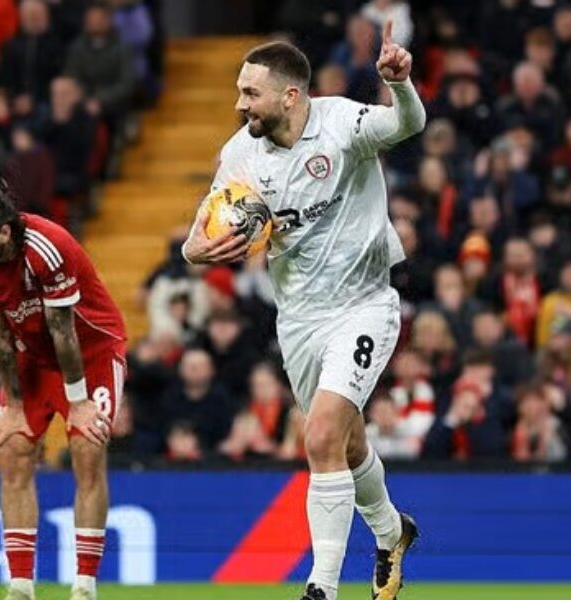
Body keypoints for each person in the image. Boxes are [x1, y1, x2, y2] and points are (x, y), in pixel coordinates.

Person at [181, 26, 424, 600]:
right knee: (349, 445)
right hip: (298, 320)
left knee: (318, 437)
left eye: (250, 93)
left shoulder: (342, 124)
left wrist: (402, 85)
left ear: (291, 96)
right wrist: (196, 250)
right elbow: (201, 230)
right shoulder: (241, 152)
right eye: (240, 92)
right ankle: (392, 533)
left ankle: (321, 587)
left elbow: (406, 125)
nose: (240, 104)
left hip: (364, 305)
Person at [0, 183, 127, 600]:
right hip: (31, 356)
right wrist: (11, 404)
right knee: (12, 450)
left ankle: (84, 586)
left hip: (91, 350)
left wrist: (79, 401)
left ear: (4, 234)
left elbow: (63, 330)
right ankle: (21, 587)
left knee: (86, 449)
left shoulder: (48, 247)